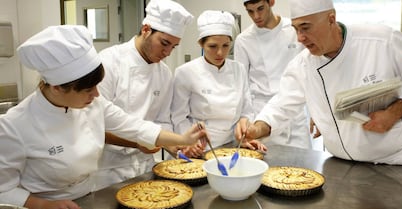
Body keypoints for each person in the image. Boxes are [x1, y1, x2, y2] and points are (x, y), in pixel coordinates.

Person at [0, 25, 205, 209]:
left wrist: (183, 139)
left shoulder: (92, 104)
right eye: (88, 89)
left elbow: (135, 126)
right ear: (57, 87)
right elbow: (4, 190)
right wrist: (43, 204)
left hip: (91, 197)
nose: (97, 95)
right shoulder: (14, 125)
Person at [236, 0, 402, 165]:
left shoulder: (381, 41)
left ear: (331, 19)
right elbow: (281, 105)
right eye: (296, 29)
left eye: (305, 28)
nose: (299, 38)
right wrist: (256, 129)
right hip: (341, 164)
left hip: (397, 160)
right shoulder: (303, 65)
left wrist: (394, 112)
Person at [95, 0, 193, 191]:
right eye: (164, 43)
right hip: (107, 169)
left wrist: (171, 145)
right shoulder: (108, 62)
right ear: (146, 29)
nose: (167, 53)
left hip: (144, 167)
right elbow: (95, 124)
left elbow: (162, 120)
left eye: (173, 47)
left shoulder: (164, 73)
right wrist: (138, 141)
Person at [171, 10, 267, 158]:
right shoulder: (185, 72)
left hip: (231, 147)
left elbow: (246, 110)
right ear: (201, 44)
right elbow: (178, 117)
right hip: (198, 148)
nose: (220, 53)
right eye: (213, 46)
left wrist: (244, 132)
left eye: (226, 45)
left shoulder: (238, 69)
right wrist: (189, 141)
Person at [234, 0, 312, 149]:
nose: (256, 16)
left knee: (303, 168)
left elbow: (310, 73)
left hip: (294, 115)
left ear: (271, 2)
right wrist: (245, 121)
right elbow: (242, 87)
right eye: (250, 11)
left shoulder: (294, 30)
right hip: (262, 117)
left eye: (260, 9)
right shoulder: (243, 40)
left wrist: (316, 113)